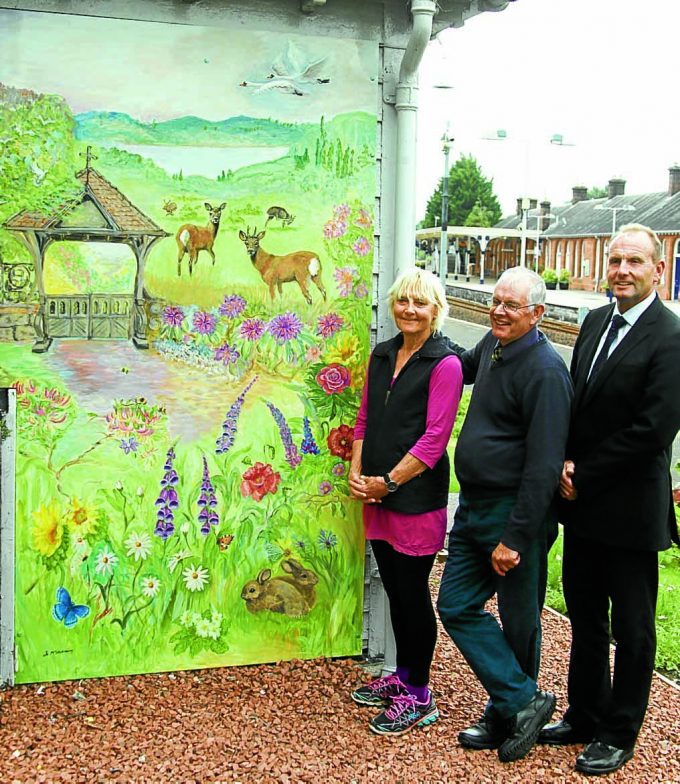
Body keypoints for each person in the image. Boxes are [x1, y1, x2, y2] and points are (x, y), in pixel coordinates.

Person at [539, 224, 680, 776]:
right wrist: (564, 464)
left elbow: (653, 428)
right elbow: (581, 403)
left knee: (634, 628)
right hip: (585, 505)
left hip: (630, 510)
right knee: (586, 617)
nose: (622, 269)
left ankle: (619, 732)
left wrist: (584, 472)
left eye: (635, 261)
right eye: (615, 259)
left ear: (658, 269)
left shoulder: (671, 339)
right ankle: (584, 713)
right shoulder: (596, 321)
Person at [436, 266, 573, 763]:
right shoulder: (494, 350)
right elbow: (460, 364)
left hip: (514, 515)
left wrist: (514, 538)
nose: (498, 311)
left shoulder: (545, 371)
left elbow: (544, 466)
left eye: (511, 306)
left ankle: (506, 710)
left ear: (537, 314)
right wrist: (424, 326)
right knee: (455, 604)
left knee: (519, 621)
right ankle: (522, 700)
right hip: (473, 509)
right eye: (496, 301)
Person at [348, 267, 464, 736]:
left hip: (414, 499)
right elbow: (363, 419)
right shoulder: (382, 355)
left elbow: (435, 440)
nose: (409, 310)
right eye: (403, 301)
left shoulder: (446, 364)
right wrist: (358, 473)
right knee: (394, 589)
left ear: (436, 309)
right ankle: (401, 675)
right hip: (376, 492)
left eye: (420, 303)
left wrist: (387, 484)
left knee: (414, 596)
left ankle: (419, 694)